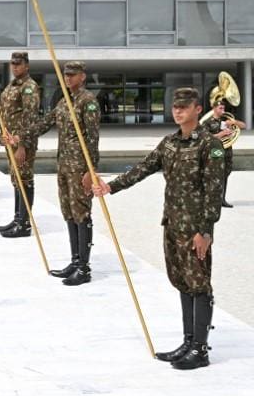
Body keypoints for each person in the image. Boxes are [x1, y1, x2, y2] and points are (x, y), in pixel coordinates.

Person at [93, 87, 225, 370]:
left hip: (195, 230)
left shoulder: (209, 144)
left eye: (184, 107)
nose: (178, 111)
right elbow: (142, 168)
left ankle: (200, 349)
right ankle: (188, 342)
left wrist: (206, 231)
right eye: (175, 107)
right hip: (173, 225)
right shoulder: (169, 143)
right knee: (181, 281)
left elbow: (214, 191)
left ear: (197, 109)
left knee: (199, 283)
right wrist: (110, 186)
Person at [17, 60, 100, 286]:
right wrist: (21, 138)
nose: (69, 78)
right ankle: (75, 261)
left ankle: (84, 268)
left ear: (83, 76)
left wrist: (91, 171)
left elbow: (93, 139)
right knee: (69, 212)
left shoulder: (88, 102)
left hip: (79, 167)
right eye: (66, 75)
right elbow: (44, 124)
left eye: (73, 75)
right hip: (64, 165)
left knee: (82, 213)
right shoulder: (64, 102)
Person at [0, 52, 41, 238]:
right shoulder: (11, 86)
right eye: (13, 64)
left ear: (27, 65)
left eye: (19, 64)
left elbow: (31, 118)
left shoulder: (29, 87)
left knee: (24, 179)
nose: (15, 67)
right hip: (10, 140)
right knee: (16, 179)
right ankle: (17, 218)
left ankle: (24, 224)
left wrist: (22, 144)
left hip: (22, 142)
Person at [200, 99, 246, 208]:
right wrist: (221, 134)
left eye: (223, 108)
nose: (222, 110)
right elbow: (205, 137)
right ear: (214, 109)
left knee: (225, 174)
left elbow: (243, 125)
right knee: (216, 175)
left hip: (227, 150)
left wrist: (233, 123)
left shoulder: (226, 120)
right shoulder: (208, 122)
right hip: (216, 150)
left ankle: (222, 200)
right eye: (220, 108)